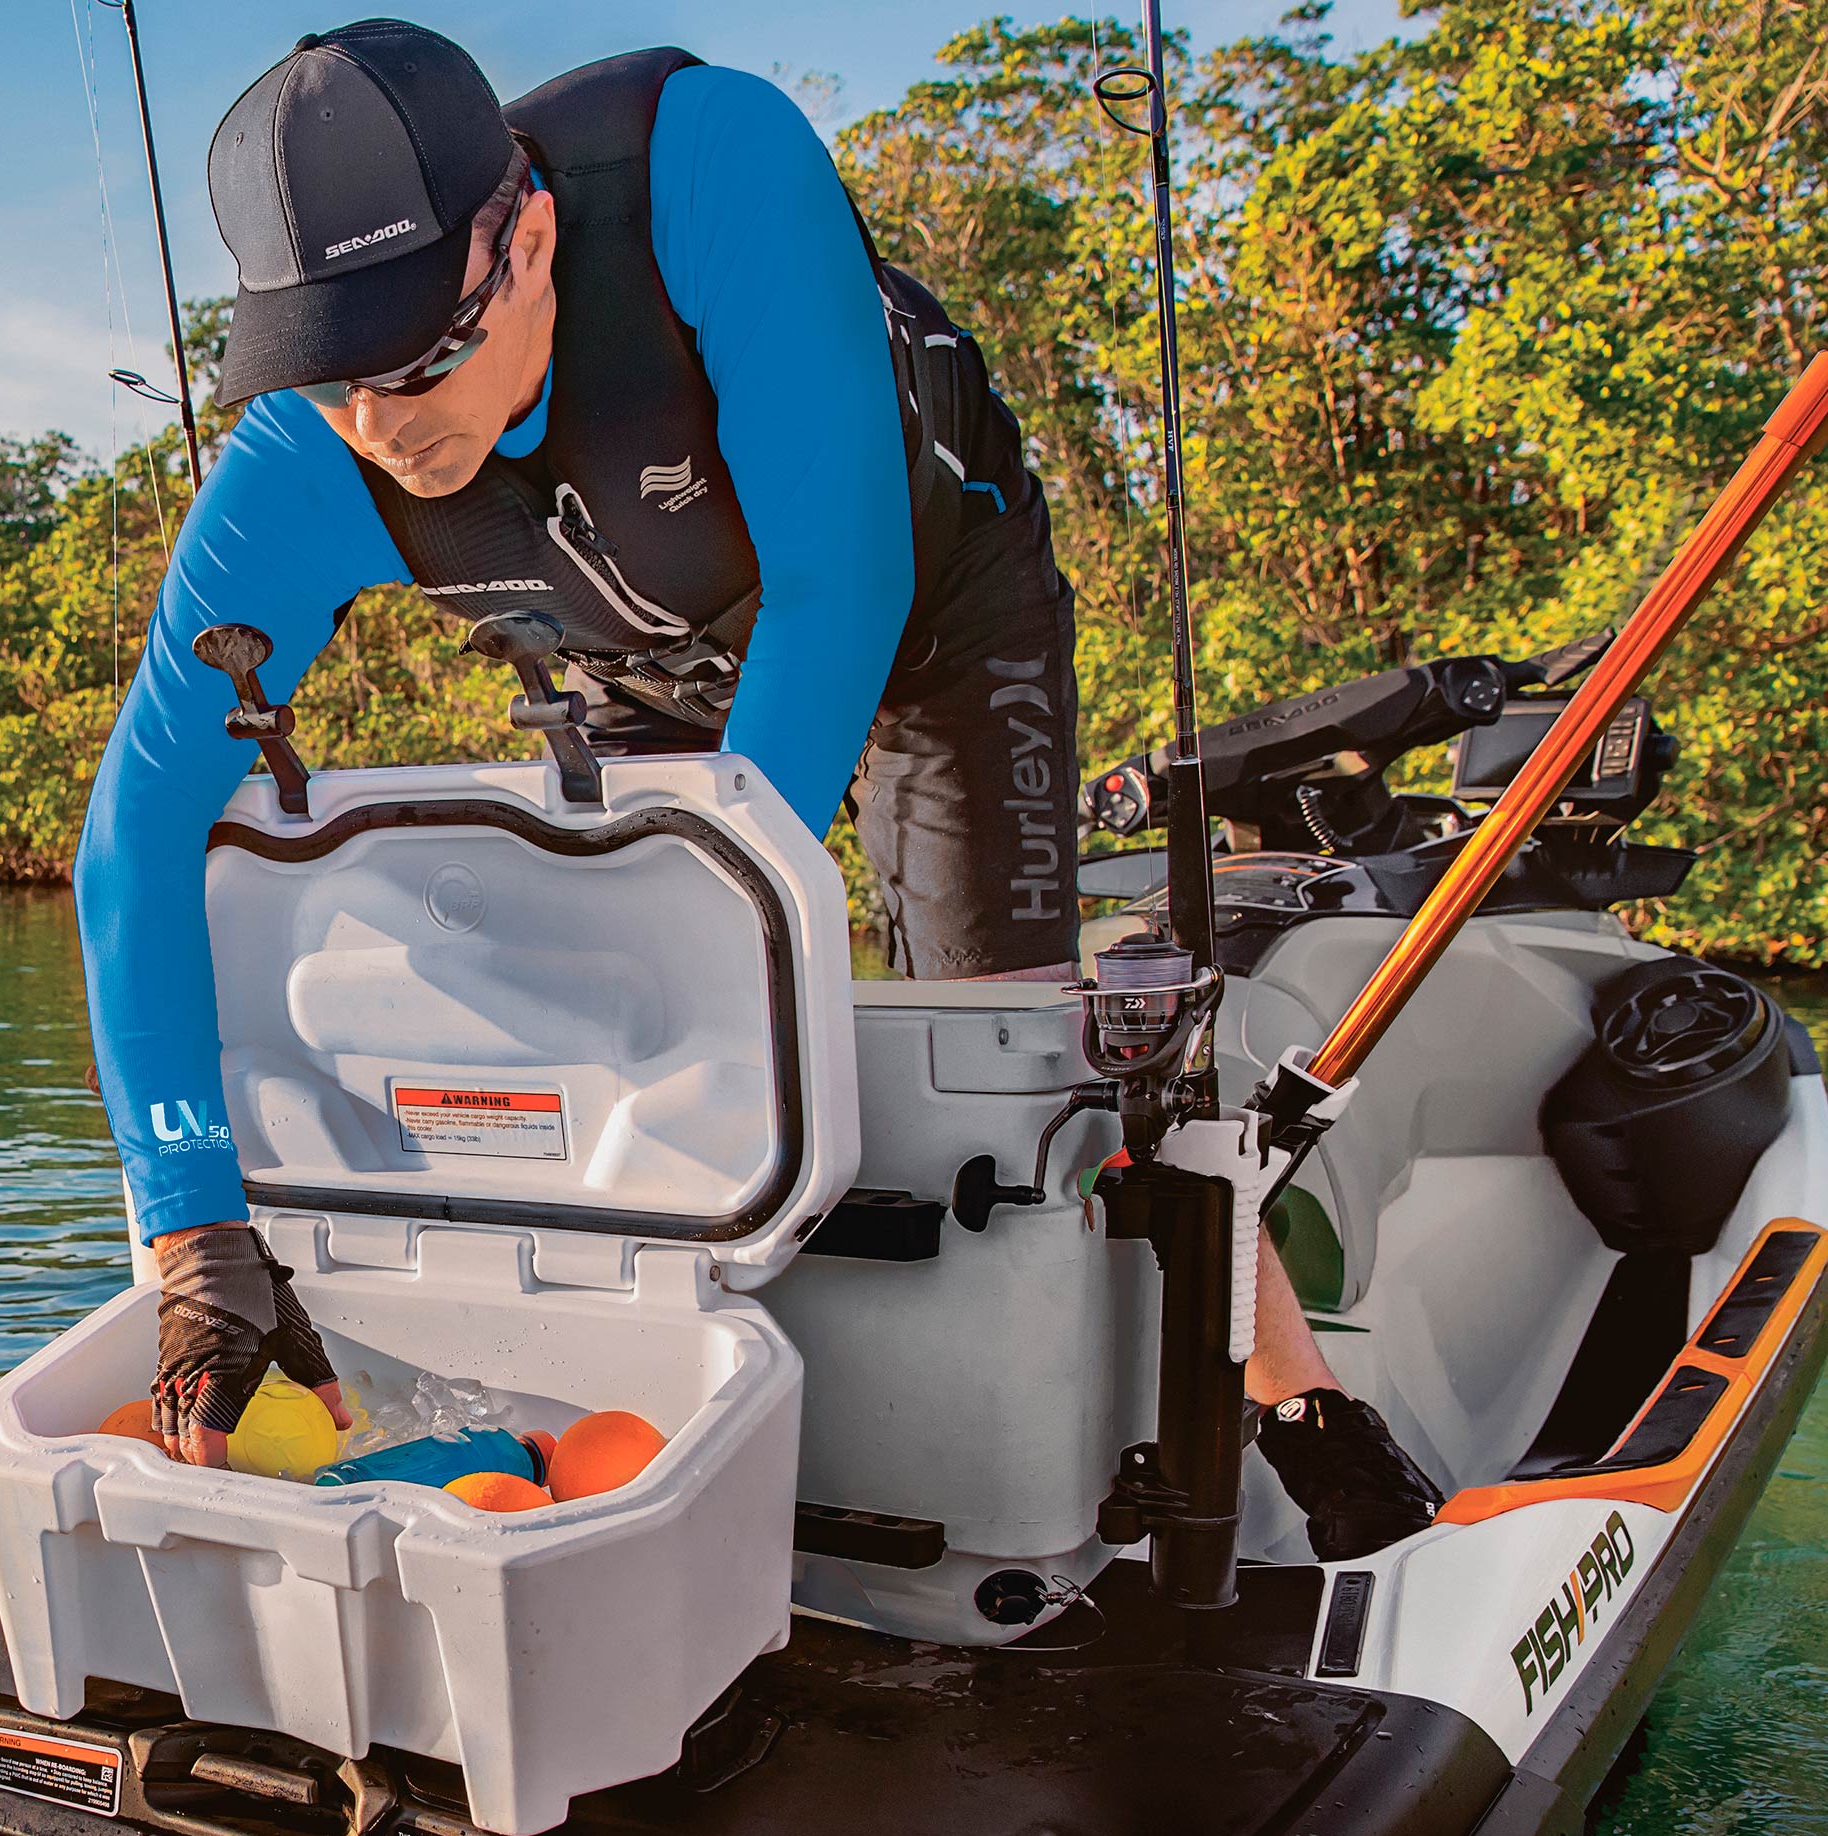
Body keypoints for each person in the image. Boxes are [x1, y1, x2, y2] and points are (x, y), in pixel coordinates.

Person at [73, 19, 1439, 1558]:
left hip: (920, 603)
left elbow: (840, 586)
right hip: (646, 661)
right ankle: (694, 1441)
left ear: (526, 231)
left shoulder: (708, 169)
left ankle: (1290, 1386)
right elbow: (136, 833)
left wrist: (720, 965)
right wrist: (195, 1232)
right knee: (605, 1064)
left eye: (421, 358)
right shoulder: (302, 458)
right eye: (330, 379)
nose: (385, 432)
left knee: (1003, 1044)